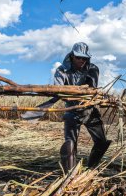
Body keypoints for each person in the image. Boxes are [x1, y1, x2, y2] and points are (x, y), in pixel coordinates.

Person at [22, 42, 111, 173]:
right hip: (71, 110)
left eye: (84, 58)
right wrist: (71, 93)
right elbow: (59, 91)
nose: (81, 60)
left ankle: (91, 169)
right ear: (72, 56)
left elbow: (92, 89)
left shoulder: (93, 69)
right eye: (78, 57)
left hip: (89, 110)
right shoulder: (62, 70)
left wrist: (89, 95)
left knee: (102, 142)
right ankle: (70, 175)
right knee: (70, 144)